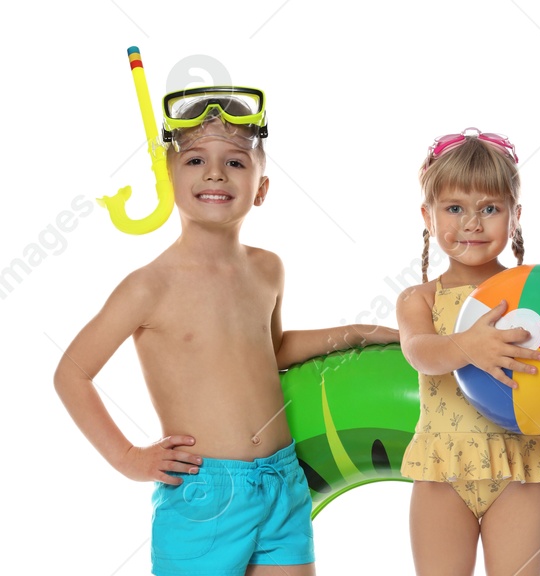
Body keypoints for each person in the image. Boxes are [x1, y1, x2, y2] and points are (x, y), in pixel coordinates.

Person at [54, 86, 397, 576]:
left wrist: (356, 332)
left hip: (283, 480)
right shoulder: (148, 287)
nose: (215, 172)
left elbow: (270, 352)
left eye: (235, 162)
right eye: (195, 160)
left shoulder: (267, 269)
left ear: (261, 188)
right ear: (166, 178)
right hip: (202, 495)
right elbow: (71, 373)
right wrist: (129, 458)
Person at [395, 128, 540, 576]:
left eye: (490, 209)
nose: (472, 222)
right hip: (441, 470)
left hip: (518, 465)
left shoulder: (532, 297)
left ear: (515, 216)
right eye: (454, 208)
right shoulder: (420, 298)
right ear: (428, 216)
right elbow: (421, 353)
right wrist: (471, 345)